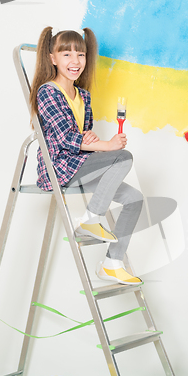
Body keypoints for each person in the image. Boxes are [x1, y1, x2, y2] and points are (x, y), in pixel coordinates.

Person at [29, 27, 143, 285]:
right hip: (59, 167)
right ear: (52, 58)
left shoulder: (84, 96)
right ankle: (92, 218)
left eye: (80, 54)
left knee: (135, 199)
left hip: (79, 164)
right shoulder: (48, 92)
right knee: (123, 157)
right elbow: (65, 139)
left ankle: (113, 264)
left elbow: (82, 137)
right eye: (66, 54)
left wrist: (91, 140)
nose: (75, 61)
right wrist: (105, 145)